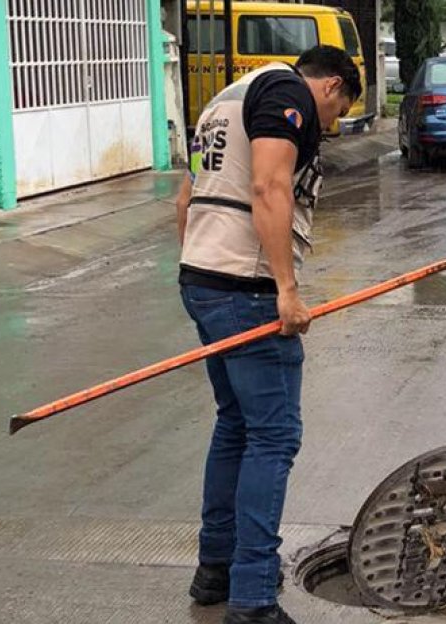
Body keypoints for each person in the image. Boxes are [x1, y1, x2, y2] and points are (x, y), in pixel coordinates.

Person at [174, 45, 361, 624]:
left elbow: (186, 198)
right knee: (274, 436)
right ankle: (252, 597)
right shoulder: (287, 96)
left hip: (202, 278)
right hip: (246, 288)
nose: (327, 127)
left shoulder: (225, 101)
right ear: (329, 86)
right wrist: (285, 288)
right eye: (334, 115)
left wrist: (199, 271)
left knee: (236, 424)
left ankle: (218, 569)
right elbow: (269, 188)